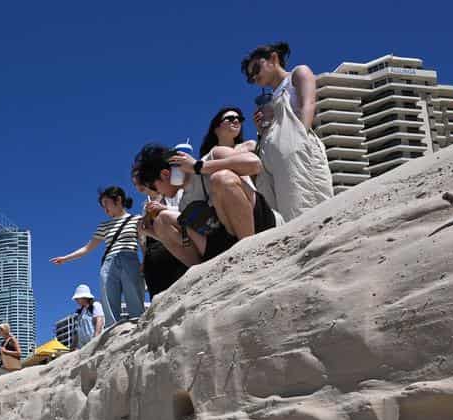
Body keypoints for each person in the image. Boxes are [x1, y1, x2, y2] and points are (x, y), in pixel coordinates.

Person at [132, 140, 275, 267]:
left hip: (258, 223)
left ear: (164, 174)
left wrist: (198, 166)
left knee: (221, 179)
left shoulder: (213, 155)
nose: (157, 193)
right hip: (226, 239)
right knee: (162, 221)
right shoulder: (184, 202)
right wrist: (152, 232)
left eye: (153, 187)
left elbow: (255, 164)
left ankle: (250, 252)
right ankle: (202, 272)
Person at [242, 41, 333, 221]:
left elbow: (309, 104)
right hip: (272, 159)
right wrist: (262, 129)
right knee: (279, 215)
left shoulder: (297, 74)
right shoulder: (270, 97)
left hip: (297, 150)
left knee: (305, 205)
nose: (254, 78)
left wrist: (301, 137)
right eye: (250, 78)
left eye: (256, 70)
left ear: (273, 59)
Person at [51, 187, 146, 324]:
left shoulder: (136, 219)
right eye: (102, 206)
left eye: (106, 204)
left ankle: (138, 324)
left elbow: (142, 241)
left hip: (129, 257)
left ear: (118, 200)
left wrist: (145, 260)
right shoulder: (104, 226)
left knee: (134, 297)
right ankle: (113, 330)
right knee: (109, 299)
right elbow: (87, 248)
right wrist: (65, 258)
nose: (105, 209)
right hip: (108, 263)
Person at [70, 284, 105, 348]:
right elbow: (77, 331)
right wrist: (73, 345)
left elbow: (99, 321)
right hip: (83, 347)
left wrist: (95, 339)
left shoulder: (96, 305)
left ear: (84, 297)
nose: (76, 300)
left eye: (77, 298)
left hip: (94, 344)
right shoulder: (80, 312)